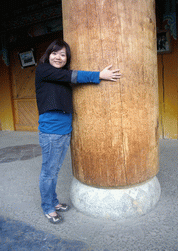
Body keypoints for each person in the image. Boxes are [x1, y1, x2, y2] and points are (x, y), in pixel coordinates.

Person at [35, 39, 121, 224]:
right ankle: (48, 207)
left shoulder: (61, 74)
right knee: (49, 172)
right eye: (55, 53)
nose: (58, 57)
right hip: (51, 129)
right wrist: (99, 75)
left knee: (54, 169)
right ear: (48, 54)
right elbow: (73, 76)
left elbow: (69, 77)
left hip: (65, 127)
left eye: (63, 54)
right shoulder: (43, 70)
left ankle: (54, 202)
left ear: (67, 58)